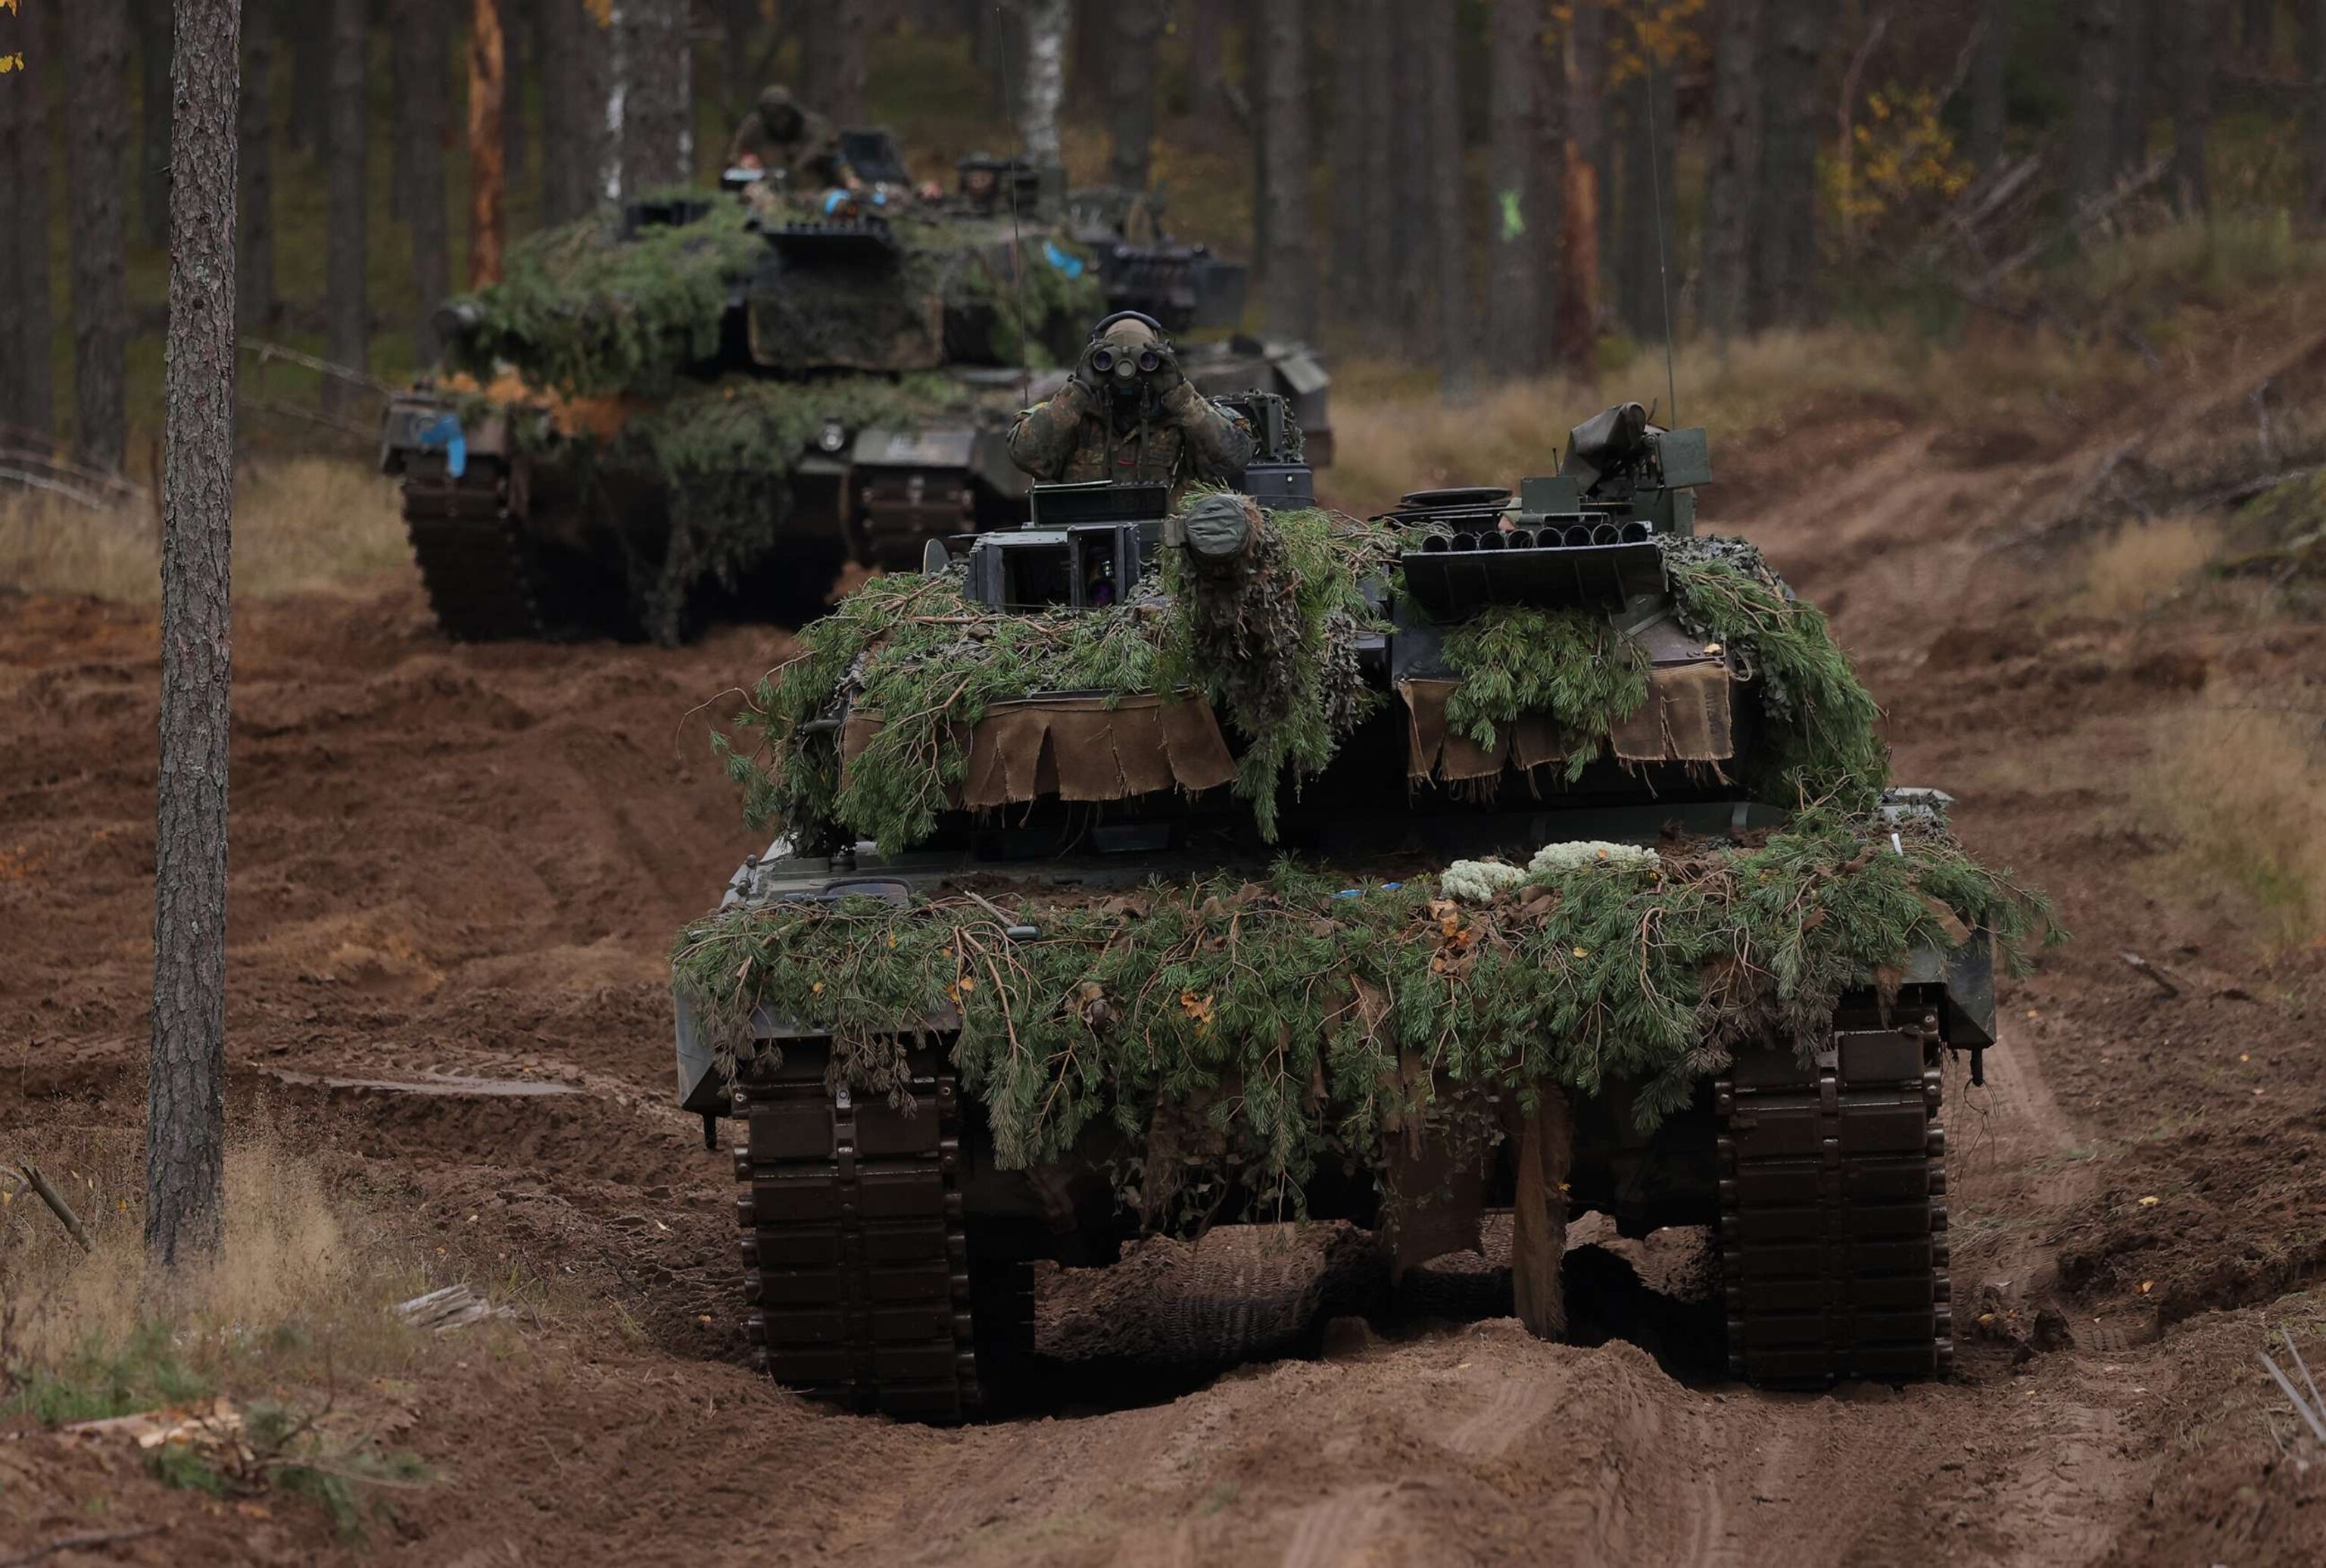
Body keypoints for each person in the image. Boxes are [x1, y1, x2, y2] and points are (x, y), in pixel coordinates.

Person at [1007, 313, 1255, 502]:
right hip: (1085, 550)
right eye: (1108, 361)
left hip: (1170, 555)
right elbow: (1027, 455)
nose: (1126, 371)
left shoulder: (1185, 413)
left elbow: (1233, 459)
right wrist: (1080, 389)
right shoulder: (1072, 412)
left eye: (1145, 361)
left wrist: (1179, 394)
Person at [728, 86, 842, 189]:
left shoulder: (811, 127)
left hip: (808, 188)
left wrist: (799, 163)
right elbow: (735, 154)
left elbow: (833, 154)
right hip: (764, 185)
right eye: (770, 114)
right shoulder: (754, 127)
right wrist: (743, 164)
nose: (777, 121)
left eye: (780, 113)